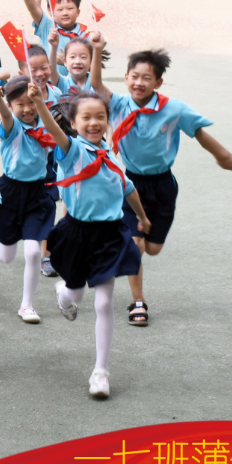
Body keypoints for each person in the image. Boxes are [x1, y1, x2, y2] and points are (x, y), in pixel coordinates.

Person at [89, 46, 232, 326]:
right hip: (130, 184)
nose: (139, 83)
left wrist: (224, 157)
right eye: (134, 76)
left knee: (153, 248)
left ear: (159, 82)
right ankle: (138, 301)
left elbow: (198, 133)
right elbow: (95, 84)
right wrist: (97, 50)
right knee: (135, 244)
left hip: (163, 186)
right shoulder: (118, 104)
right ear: (126, 78)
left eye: (147, 78)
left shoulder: (173, 108)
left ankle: (133, 252)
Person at [26, 82, 147, 399]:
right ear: (75, 123)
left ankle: (101, 372)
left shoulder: (112, 160)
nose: (94, 123)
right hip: (77, 234)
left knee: (104, 303)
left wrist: (143, 218)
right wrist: (40, 104)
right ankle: (64, 294)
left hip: (110, 235)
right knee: (75, 293)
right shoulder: (72, 151)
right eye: (86, 118)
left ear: (108, 120)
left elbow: (129, 190)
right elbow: (55, 131)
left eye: (100, 117)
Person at [0, 77, 58, 323]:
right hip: (10, 194)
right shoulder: (12, 126)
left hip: (38, 195)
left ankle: (27, 305)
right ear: (11, 106)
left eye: (31, 102)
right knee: (7, 255)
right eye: (20, 104)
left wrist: (40, 102)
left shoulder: (46, 124)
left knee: (34, 252)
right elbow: (5, 115)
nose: (27, 109)